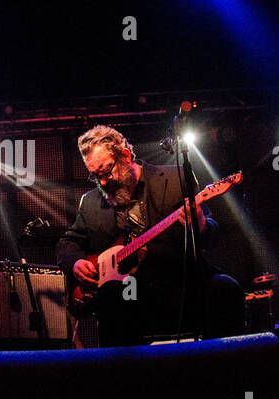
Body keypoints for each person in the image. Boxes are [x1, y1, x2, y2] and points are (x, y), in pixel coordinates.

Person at [56, 124, 243, 346]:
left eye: (106, 172)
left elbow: (210, 233)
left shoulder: (176, 179)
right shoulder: (90, 202)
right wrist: (76, 262)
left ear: (125, 156)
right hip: (131, 292)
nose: (103, 182)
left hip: (178, 281)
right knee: (111, 295)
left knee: (226, 288)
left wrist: (199, 223)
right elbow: (67, 243)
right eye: (96, 176)